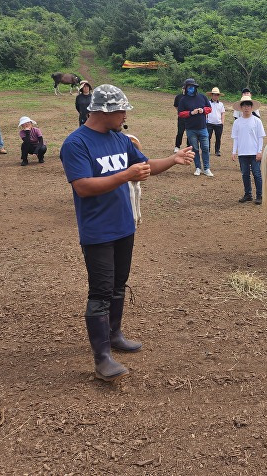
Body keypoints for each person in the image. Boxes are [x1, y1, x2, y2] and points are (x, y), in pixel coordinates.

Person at [60, 84, 194, 382]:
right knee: (101, 292)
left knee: (119, 284)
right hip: (98, 231)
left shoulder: (120, 139)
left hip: (124, 225)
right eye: (122, 111)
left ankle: (115, 334)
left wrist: (172, 160)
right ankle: (102, 358)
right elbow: (82, 186)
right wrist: (125, 175)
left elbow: (143, 166)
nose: (125, 116)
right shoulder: (76, 143)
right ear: (105, 111)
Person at [231, 94, 266, 204]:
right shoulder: (237, 122)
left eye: (248, 105)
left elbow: (260, 137)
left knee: (256, 173)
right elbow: (235, 138)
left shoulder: (257, 121)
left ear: (252, 107)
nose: (246, 108)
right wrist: (234, 151)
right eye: (244, 106)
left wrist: (259, 151)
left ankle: (260, 195)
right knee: (245, 174)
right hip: (242, 153)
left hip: (254, 152)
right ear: (241, 108)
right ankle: (248, 194)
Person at [177, 78, 214, 177]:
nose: (191, 89)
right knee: (195, 149)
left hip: (202, 128)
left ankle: (206, 168)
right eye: (189, 87)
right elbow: (180, 114)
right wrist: (191, 113)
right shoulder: (183, 100)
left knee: (205, 148)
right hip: (190, 129)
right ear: (186, 88)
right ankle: (198, 167)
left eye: (192, 87)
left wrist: (203, 110)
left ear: (195, 87)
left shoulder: (202, 97)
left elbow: (209, 108)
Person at [206, 87, 226, 156]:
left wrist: (222, 122)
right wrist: (206, 121)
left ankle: (217, 150)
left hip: (218, 123)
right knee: (208, 137)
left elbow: (223, 113)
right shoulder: (208, 103)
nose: (216, 96)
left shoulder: (221, 104)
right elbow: (205, 112)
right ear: (212, 95)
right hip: (209, 123)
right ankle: (207, 150)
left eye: (217, 95)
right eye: (214, 94)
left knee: (218, 138)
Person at [173, 85, 189, 153]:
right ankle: (177, 146)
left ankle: (189, 146)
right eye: (184, 89)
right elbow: (176, 106)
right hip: (181, 117)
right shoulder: (178, 97)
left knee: (189, 132)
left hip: (189, 117)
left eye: (186, 89)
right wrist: (180, 112)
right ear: (182, 89)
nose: (185, 90)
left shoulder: (190, 97)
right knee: (180, 132)